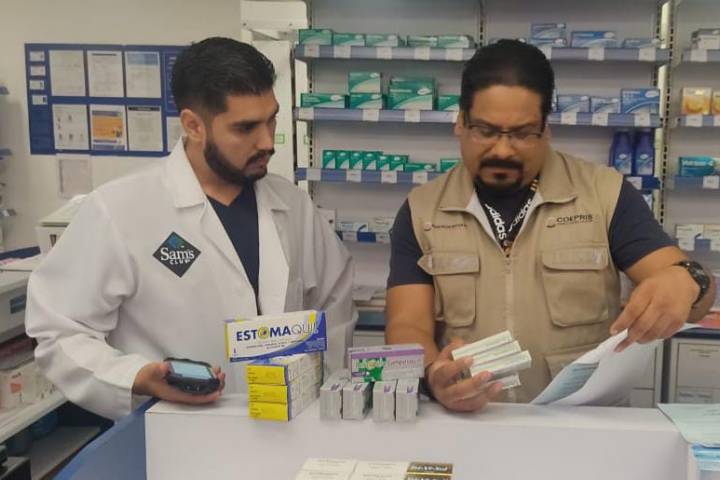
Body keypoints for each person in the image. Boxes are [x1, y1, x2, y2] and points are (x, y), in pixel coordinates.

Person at [25, 37, 356, 420]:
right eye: (246, 127)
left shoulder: (293, 206)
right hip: (172, 429)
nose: (267, 142)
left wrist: (321, 390)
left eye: (271, 119)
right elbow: (60, 331)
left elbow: (334, 304)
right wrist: (137, 377)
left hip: (290, 425)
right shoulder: (120, 209)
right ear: (194, 125)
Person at [385, 40, 715, 412]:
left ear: (546, 129)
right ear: (460, 122)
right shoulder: (422, 210)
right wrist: (434, 375)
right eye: (485, 130)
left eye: (523, 133)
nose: (503, 150)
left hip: (583, 423)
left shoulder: (604, 195)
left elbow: (695, 295)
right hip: (471, 421)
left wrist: (687, 281)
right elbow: (407, 326)